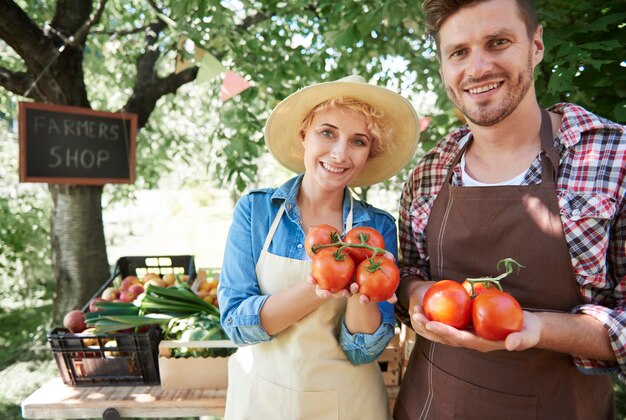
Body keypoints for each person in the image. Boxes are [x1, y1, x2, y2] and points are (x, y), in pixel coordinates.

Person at [394, 0, 626, 418]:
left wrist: (535, 328)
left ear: (536, 45)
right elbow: (408, 274)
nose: (478, 67)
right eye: (459, 52)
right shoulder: (428, 171)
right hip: (430, 407)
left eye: (498, 42)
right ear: (444, 66)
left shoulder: (612, 156)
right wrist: (416, 295)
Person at [218, 75, 419, 420]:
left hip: (349, 403)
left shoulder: (376, 228)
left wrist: (362, 291)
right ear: (303, 136)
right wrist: (321, 288)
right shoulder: (257, 210)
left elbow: (362, 352)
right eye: (327, 133)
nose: (339, 153)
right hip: (261, 400)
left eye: (358, 141)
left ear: (370, 152)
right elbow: (237, 324)